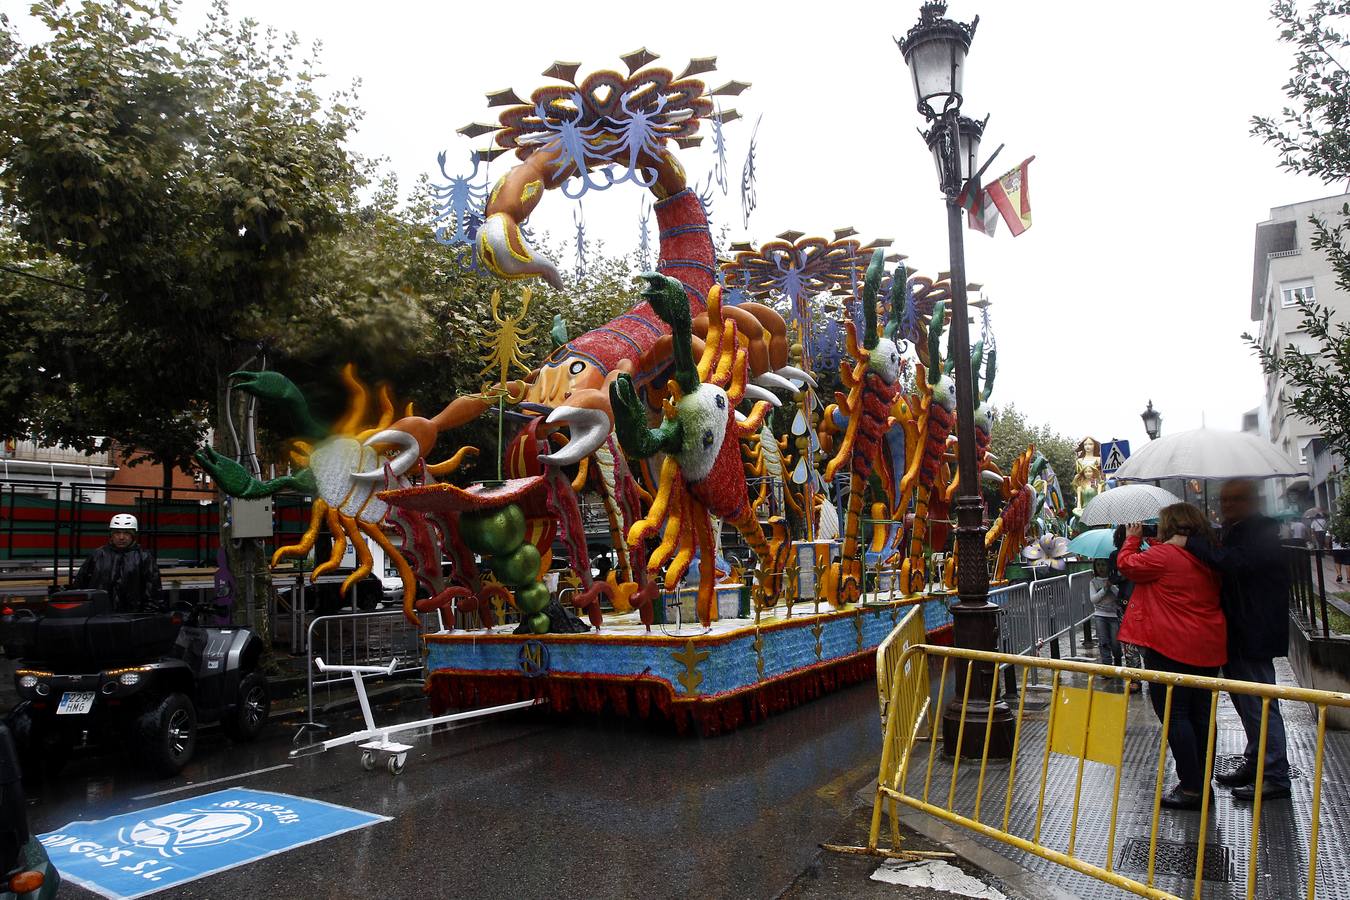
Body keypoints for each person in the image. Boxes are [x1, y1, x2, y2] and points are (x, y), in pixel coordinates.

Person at [1185, 479, 1293, 802]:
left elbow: (1233, 563)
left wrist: (1194, 544)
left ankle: (1274, 774)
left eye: (1235, 500)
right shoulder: (1238, 530)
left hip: (1253, 632)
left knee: (1260, 704)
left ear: (1252, 501)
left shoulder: (1260, 534)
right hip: (1237, 631)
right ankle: (1256, 760)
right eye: (1224, 500)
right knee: (1247, 704)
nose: (1227, 506)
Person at [1117, 503, 1225, 810]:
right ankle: (1203, 782)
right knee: (1203, 715)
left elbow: (1127, 565)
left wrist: (1132, 538)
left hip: (1170, 646)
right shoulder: (1207, 554)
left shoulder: (1162, 557)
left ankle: (1191, 787)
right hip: (1207, 646)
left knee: (1176, 715)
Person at [73, 513, 164, 613]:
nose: (121, 537)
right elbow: (80, 585)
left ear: (133, 535)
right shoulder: (97, 555)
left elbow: (153, 590)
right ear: (111, 535)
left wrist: (146, 616)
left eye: (126, 533)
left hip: (132, 617)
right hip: (99, 616)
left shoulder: (144, 557)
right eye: (117, 533)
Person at [1089, 558, 1123, 667]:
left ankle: (1118, 661)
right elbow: (1093, 599)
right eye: (1098, 565)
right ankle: (1107, 665)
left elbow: (1120, 595)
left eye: (1103, 564)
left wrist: (1111, 586)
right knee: (1103, 642)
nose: (1101, 567)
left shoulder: (1114, 580)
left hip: (1113, 615)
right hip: (1100, 615)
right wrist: (1104, 589)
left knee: (1115, 643)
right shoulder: (1093, 582)